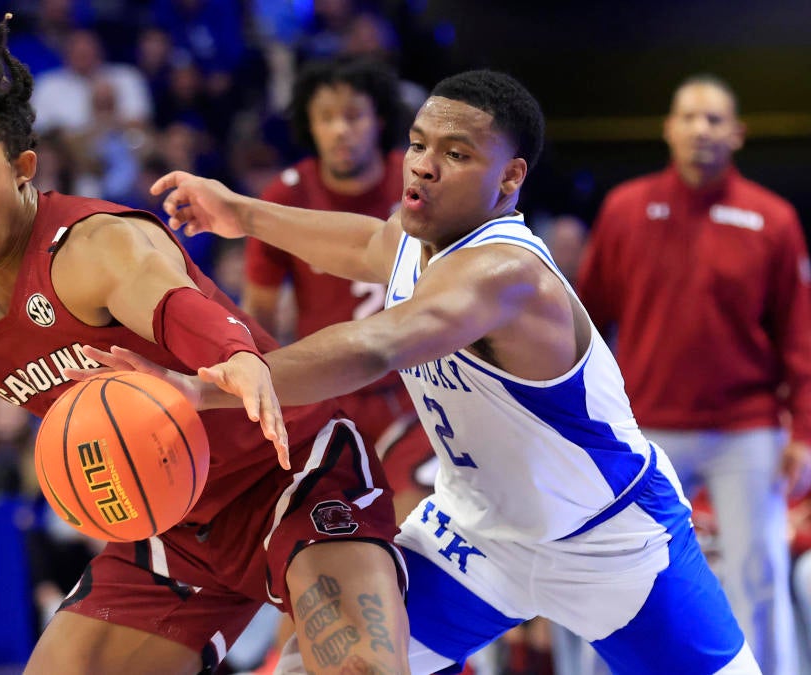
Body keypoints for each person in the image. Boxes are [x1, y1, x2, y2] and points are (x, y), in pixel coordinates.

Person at [0, 11, 409, 675]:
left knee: (361, 668)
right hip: (171, 527)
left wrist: (238, 356)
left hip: (290, 475)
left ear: (22, 167)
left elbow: (169, 300)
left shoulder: (94, 244)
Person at [84, 69, 763, 674]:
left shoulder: (507, 273)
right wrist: (244, 212)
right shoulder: (417, 234)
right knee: (325, 663)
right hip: (476, 536)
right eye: (417, 143)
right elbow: (369, 243)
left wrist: (208, 385)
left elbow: (378, 345)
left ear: (510, 177)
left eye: (456, 152)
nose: (424, 165)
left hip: (608, 539)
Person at [577, 74, 811, 675]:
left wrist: (804, 432)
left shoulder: (773, 219)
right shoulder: (626, 209)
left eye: (713, 120)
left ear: (737, 133)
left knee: (759, 575)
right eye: (688, 117)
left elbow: (800, 338)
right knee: (620, 568)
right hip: (646, 426)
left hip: (747, 429)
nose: (700, 130)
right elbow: (584, 321)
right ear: (668, 128)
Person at [246, 54, 430, 520]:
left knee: (414, 529)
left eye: (353, 115)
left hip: (413, 391)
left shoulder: (418, 183)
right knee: (334, 529)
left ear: (380, 118)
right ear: (309, 126)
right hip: (328, 395)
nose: (340, 130)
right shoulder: (286, 196)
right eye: (326, 118)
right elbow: (259, 320)